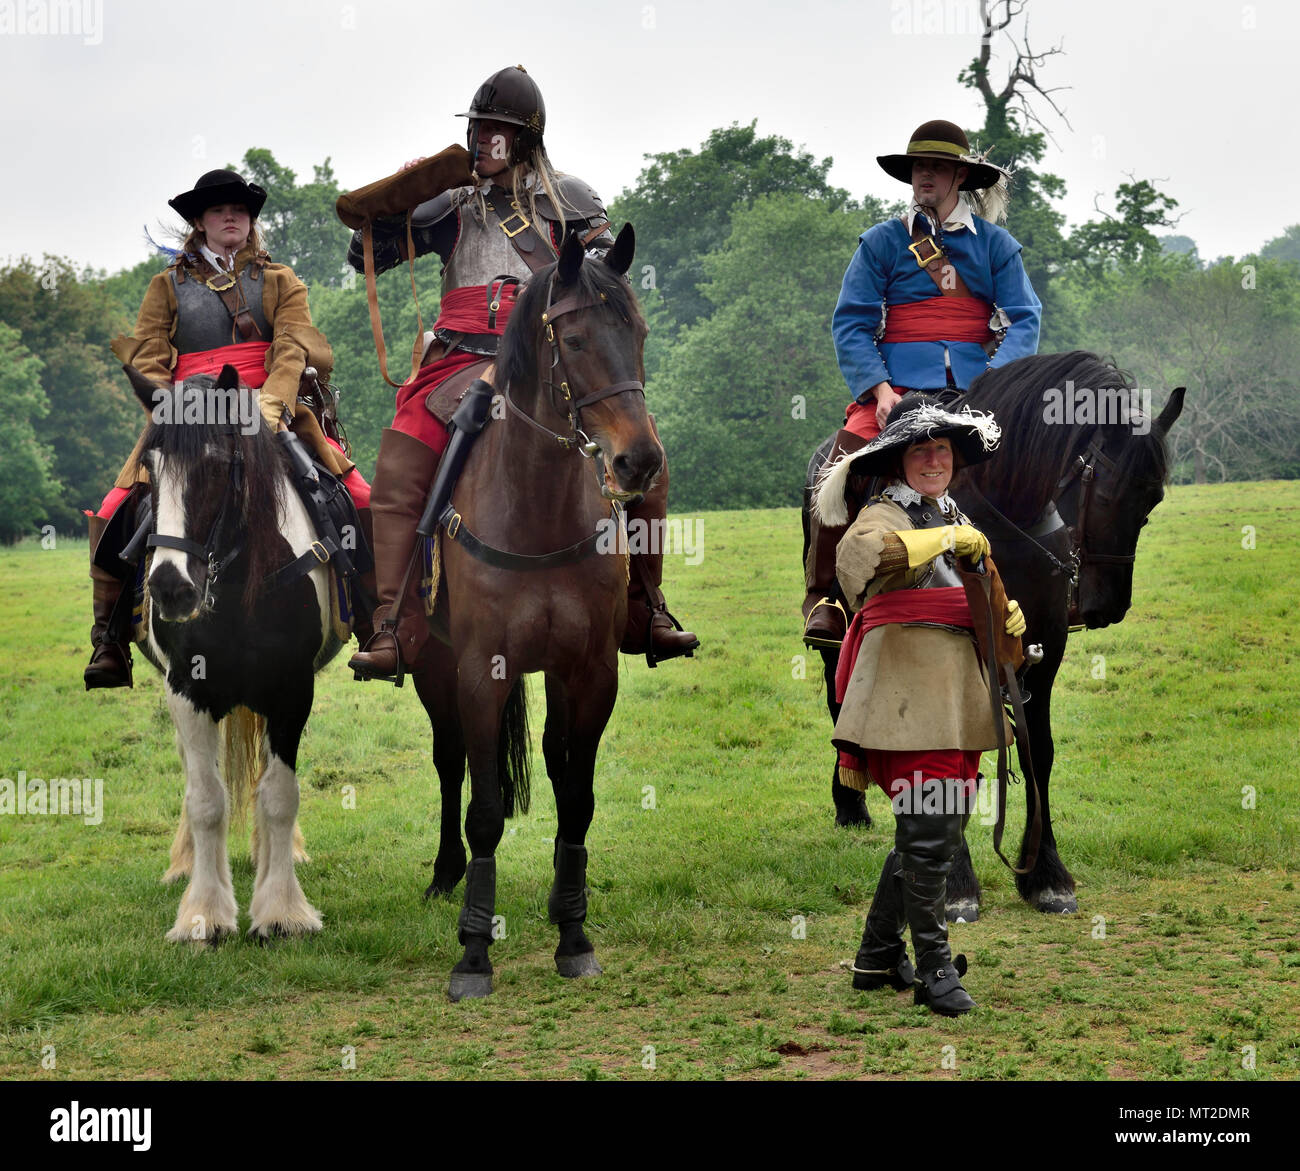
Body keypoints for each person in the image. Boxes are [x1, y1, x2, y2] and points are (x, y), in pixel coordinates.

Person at [345, 64, 698, 684]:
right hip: (459, 358)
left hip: (551, 357)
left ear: (525, 136)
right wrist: (398, 196)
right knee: (402, 465)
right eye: (477, 128)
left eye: (495, 130)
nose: (481, 140)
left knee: (648, 458)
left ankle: (646, 605)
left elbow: (603, 274)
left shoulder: (572, 200)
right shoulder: (450, 205)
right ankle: (394, 623)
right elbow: (366, 253)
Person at [86, 169, 371, 689]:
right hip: (188, 417)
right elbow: (149, 359)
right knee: (112, 510)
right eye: (219, 209)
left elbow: (291, 347)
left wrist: (272, 404)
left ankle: (373, 622)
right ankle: (108, 639)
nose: (231, 216)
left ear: (250, 220)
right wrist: (174, 412)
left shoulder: (282, 280)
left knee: (357, 495)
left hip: (267, 406)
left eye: (240, 209)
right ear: (199, 222)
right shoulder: (165, 285)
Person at [815, 394, 1026, 1016]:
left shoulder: (952, 513)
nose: (933, 459)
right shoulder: (882, 512)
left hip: (958, 691)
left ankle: (877, 957)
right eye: (920, 450)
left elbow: (982, 591)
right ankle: (935, 967)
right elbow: (861, 562)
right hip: (904, 692)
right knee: (930, 831)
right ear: (898, 461)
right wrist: (948, 540)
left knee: (933, 829)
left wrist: (1000, 611)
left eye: (941, 450)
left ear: (953, 459)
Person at [803, 119, 1041, 648]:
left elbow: (1024, 318)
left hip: (979, 388)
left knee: (1043, 460)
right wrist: (879, 390)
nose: (923, 175)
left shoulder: (998, 246)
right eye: (917, 167)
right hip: (897, 389)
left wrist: (999, 386)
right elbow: (852, 322)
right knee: (837, 461)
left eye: (935, 166)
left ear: (960, 176)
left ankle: (1059, 582)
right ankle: (825, 599)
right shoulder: (883, 242)